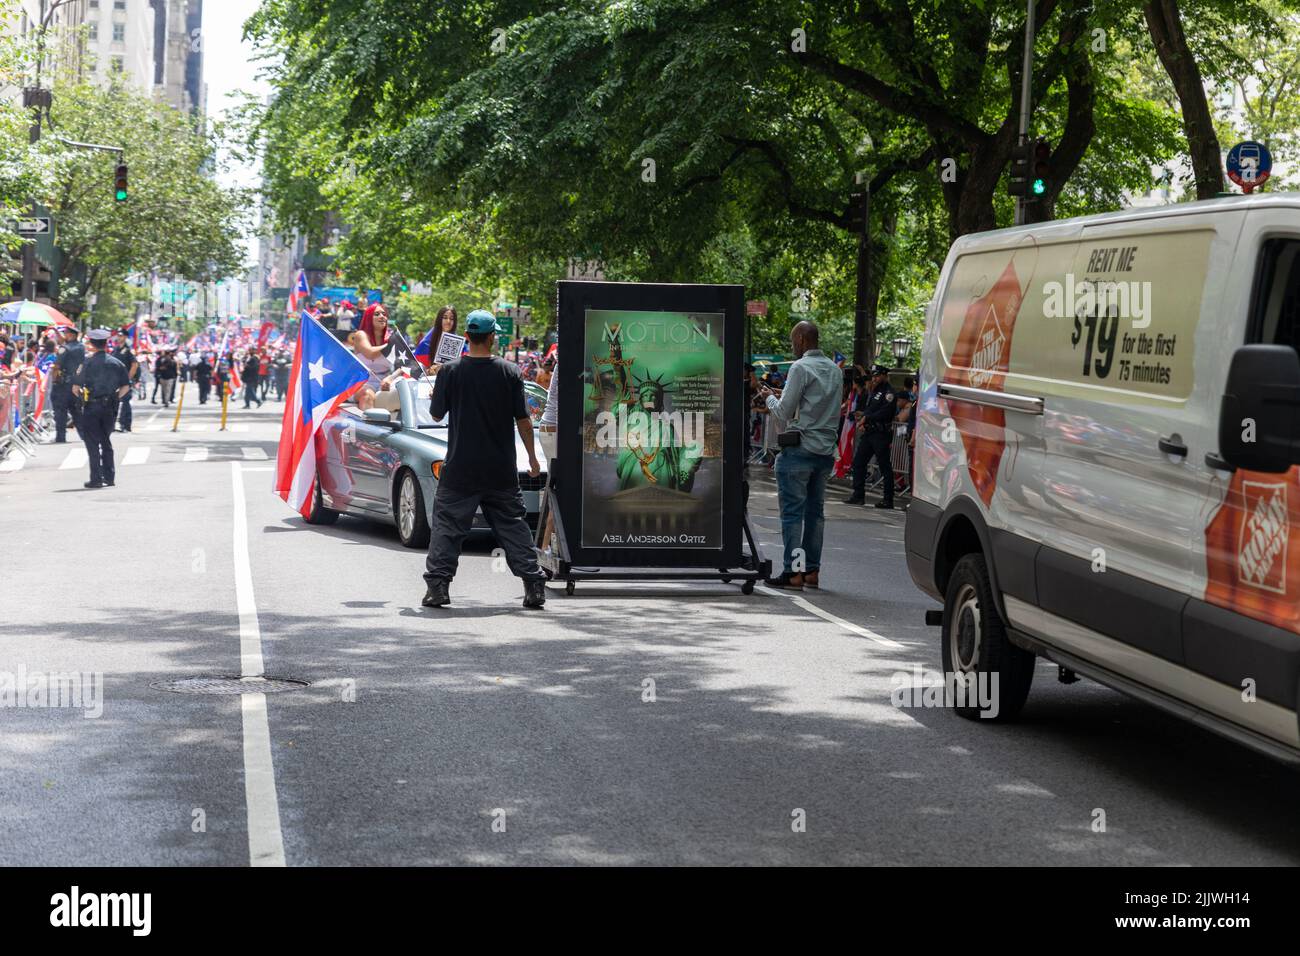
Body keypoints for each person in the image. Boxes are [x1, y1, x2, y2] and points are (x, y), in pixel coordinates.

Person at [422, 309, 546, 610]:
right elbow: (524, 421)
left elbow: (436, 414)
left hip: (460, 469)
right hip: (500, 469)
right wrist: (531, 458)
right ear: (492, 337)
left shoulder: (450, 372)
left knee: (447, 528)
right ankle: (534, 588)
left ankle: (437, 589)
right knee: (514, 527)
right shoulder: (510, 372)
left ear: (466, 337)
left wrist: (436, 392)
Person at [756, 320, 842, 591]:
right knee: (815, 514)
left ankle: (793, 571)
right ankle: (811, 571)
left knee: (793, 514)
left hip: (800, 449)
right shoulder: (834, 370)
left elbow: (782, 413)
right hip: (826, 450)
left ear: (803, 340)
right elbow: (815, 403)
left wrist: (769, 397)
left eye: (794, 340)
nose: (792, 345)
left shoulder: (800, 367)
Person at [71, 329, 129, 489]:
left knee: (92, 443)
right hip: (109, 407)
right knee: (106, 441)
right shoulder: (117, 363)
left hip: (91, 406)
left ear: (91, 344)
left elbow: (75, 388)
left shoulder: (86, 363)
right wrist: (115, 398)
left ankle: (96, 478)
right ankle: (109, 477)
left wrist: (82, 396)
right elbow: (125, 386)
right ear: (106, 344)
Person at [845, 364, 897, 509]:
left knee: (884, 466)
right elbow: (871, 409)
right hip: (870, 433)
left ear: (885, 376)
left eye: (877, 375)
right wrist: (864, 417)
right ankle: (858, 495)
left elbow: (885, 413)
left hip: (881, 434)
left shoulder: (889, 393)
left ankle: (888, 499)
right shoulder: (875, 391)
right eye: (874, 376)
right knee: (858, 463)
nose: (875, 378)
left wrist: (867, 418)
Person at [347, 304, 393, 410]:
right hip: (363, 382)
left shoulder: (391, 337)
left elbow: (402, 365)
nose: (382, 316)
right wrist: (392, 344)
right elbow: (370, 353)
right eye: (376, 314)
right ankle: (369, 426)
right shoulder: (360, 335)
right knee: (367, 395)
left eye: (384, 314)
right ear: (368, 318)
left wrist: (390, 379)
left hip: (386, 382)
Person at [536, 352, 560, 553]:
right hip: (555, 429)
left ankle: (549, 545)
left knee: (558, 487)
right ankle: (545, 547)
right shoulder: (567, 364)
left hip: (552, 428)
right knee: (560, 488)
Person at [50, 326, 84, 443]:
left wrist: (54, 380)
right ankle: (85, 435)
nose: (64, 336)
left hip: (63, 385)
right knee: (76, 412)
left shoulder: (64, 349)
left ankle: (61, 437)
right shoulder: (81, 347)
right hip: (77, 383)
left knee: (60, 411)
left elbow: (57, 366)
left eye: (66, 333)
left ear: (71, 335)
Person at [111, 331, 138, 432]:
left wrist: (128, 379)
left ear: (126, 337)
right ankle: (112, 423)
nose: (119, 337)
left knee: (125, 402)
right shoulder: (115, 349)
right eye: (118, 335)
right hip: (114, 380)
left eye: (121, 336)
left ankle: (125, 424)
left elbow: (134, 365)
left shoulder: (128, 350)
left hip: (124, 381)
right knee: (114, 402)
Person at [425, 306, 458, 374]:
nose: (448, 321)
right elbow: (419, 367)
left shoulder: (459, 342)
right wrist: (429, 371)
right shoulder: (427, 342)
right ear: (439, 319)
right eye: (445, 318)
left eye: (451, 319)